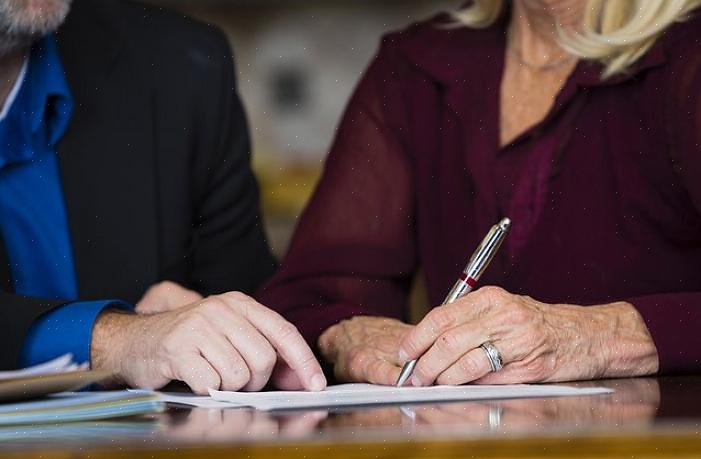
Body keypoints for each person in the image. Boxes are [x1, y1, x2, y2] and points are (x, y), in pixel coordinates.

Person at [259, 0, 701, 386]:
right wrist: (350, 335)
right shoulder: (417, 64)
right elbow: (309, 298)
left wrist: (603, 336)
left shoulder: (687, 55)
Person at [0, 0, 326, 394]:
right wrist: (117, 340)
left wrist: (214, 328)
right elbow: (136, 342)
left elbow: (252, 302)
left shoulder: (181, 64)